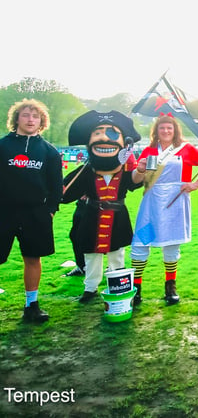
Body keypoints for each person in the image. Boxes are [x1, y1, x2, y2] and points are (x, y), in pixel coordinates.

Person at [62, 110, 142, 303]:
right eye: (97, 133)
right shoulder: (85, 170)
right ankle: (90, 288)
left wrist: (140, 170)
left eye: (113, 134)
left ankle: (118, 286)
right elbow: (65, 193)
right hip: (91, 216)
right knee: (91, 255)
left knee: (117, 254)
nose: (105, 138)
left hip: (117, 216)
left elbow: (134, 182)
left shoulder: (124, 170)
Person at [130, 114, 198, 306]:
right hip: (151, 203)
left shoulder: (186, 149)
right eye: (162, 128)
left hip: (176, 200)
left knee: (172, 245)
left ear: (175, 131)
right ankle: (136, 289)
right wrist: (139, 170)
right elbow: (135, 181)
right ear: (156, 131)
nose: (166, 131)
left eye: (169, 128)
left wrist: (196, 183)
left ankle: (170, 286)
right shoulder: (148, 150)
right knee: (141, 242)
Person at [0, 99, 63, 322]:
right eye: (26, 115)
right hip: (4, 212)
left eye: (35, 116)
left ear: (41, 121)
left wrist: (50, 211)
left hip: (35, 214)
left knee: (33, 258)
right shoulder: (3, 146)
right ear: (16, 118)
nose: (30, 120)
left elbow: (57, 186)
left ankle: (31, 305)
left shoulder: (49, 151)